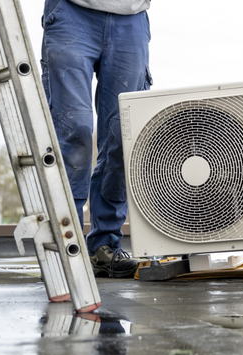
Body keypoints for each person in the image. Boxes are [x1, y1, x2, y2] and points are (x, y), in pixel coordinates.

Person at [40, 0, 151, 278]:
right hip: (71, 12)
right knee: (73, 131)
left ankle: (105, 245)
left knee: (122, 137)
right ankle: (68, 244)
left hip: (131, 18)